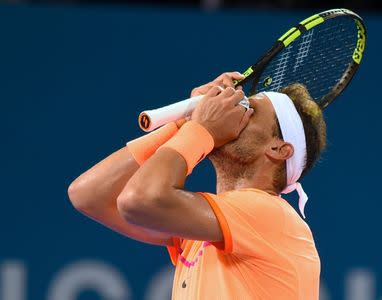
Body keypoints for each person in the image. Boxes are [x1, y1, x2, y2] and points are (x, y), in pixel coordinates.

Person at [68, 71, 327, 299]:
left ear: (279, 149)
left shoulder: (271, 216)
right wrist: (186, 123)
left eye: (249, 109)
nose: (233, 109)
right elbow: (89, 194)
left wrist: (200, 129)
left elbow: (138, 199)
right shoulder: (209, 230)